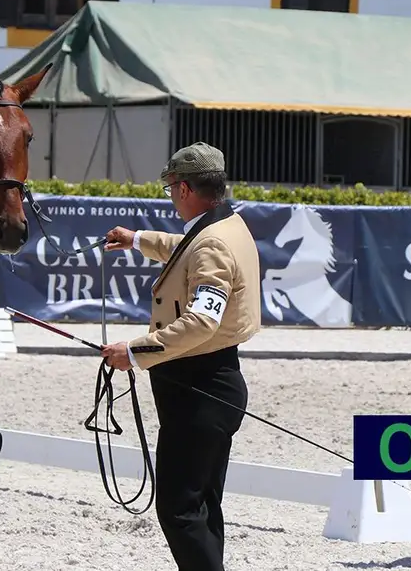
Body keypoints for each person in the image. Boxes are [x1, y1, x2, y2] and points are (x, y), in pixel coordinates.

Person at [100, 142, 261, 571]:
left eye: (172, 187)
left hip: (199, 391)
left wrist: (133, 353)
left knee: (179, 511)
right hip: (216, 381)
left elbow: (201, 321)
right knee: (204, 505)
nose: (171, 195)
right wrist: (136, 240)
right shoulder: (226, 224)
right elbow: (186, 249)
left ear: (187, 188)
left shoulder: (212, 244)